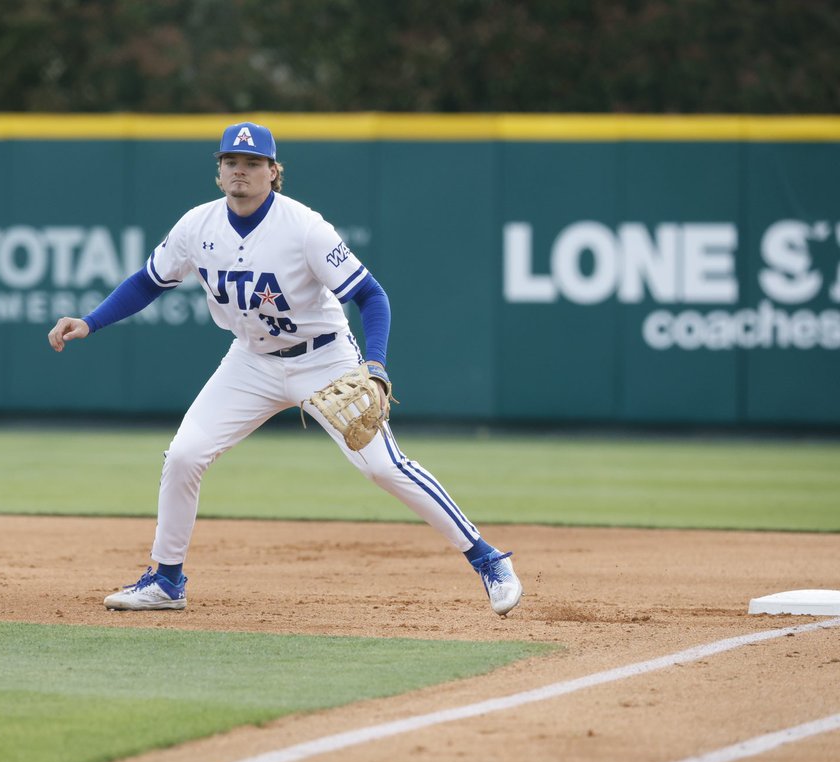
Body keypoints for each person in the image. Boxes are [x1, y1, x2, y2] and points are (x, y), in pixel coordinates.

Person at [47, 121, 523, 617]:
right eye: (231, 162)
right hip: (251, 361)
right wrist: (92, 321)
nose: (241, 171)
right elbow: (149, 281)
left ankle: (489, 560)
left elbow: (369, 295)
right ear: (218, 173)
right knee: (184, 455)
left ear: (274, 172)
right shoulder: (196, 226)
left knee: (383, 466)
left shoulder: (305, 228)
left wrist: (375, 364)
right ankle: (166, 581)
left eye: (253, 164)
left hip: (324, 359)